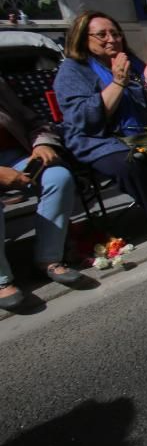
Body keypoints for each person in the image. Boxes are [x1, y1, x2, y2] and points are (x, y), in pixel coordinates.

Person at [54, 11, 147, 248]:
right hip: (99, 139)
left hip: (145, 130)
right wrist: (117, 83)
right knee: (132, 162)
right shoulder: (72, 71)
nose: (111, 39)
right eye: (102, 35)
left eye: (115, 33)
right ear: (84, 39)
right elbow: (84, 119)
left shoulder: (130, 61)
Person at [0, 79, 82, 309]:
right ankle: (1, 280)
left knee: (58, 176)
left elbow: (32, 121)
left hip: (14, 156)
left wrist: (42, 144)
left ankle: (48, 258)